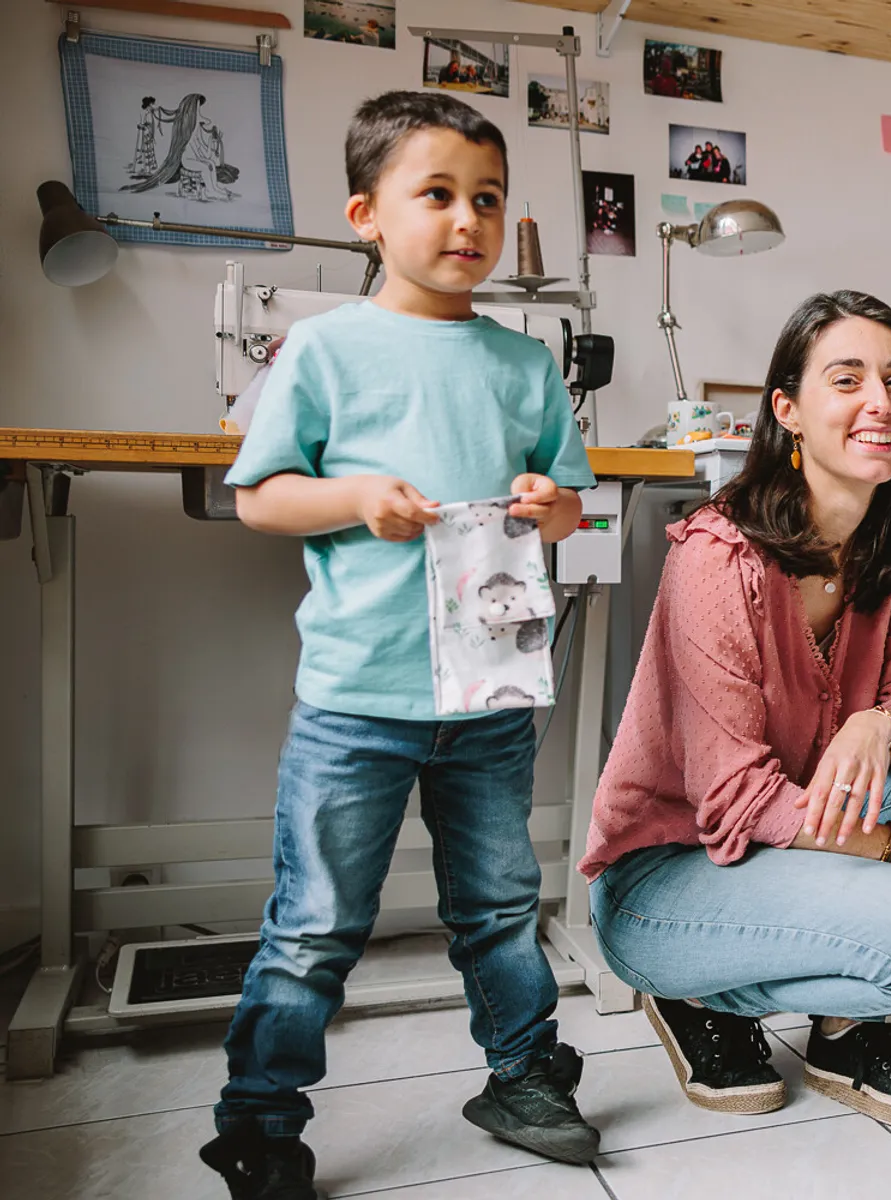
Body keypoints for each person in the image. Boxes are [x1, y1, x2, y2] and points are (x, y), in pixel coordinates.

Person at [204, 91, 603, 1199]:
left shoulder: (525, 364)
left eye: (488, 198)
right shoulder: (323, 349)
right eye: (437, 194)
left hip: (491, 699)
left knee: (502, 907)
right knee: (316, 922)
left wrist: (551, 505)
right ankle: (261, 1123)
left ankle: (523, 1076)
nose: (468, 219)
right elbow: (259, 496)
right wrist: (353, 498)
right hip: (357, 700)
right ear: (366, 216)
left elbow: (571, 504)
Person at [581, 290, 891, 1135]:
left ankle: (841, 1030)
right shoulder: (718, 559)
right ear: (787, 410)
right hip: (671, 880)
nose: (881, 402)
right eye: (848, 379)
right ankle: (692, 994)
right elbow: (738, 802)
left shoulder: (885, 552)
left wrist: (874, 726)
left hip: (792, 842)